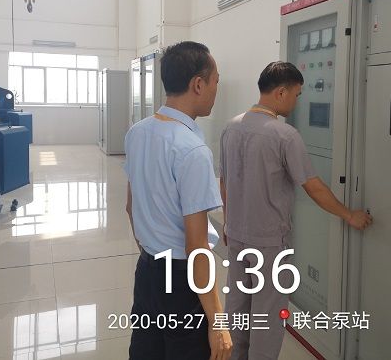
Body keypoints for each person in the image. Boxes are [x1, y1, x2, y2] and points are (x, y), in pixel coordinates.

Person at [219, 61, 372, 360]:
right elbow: (313, 187)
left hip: (236, 237)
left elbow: (225, 182)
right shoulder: (284, 135)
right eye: (297, 94)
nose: (297, 101)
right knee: (268, 317)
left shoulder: (231, 127)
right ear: (281, 92)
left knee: (237, 308)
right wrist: (349, 214)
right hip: (269, 244)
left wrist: (227, 224)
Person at [124, 41, 232, 360]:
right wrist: (217, 323)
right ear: (198, 85)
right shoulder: (192, 151)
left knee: (146, 352)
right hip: (182, 283)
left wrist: (152, 253)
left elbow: (130, 206)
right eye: (215, 82)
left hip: (147, 271)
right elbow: (196, 246)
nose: (216, 90)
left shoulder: (138, 132)